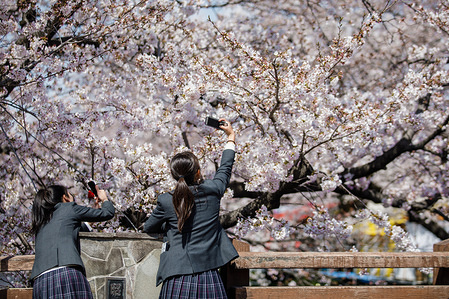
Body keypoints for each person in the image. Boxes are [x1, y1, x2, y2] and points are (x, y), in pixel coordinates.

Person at [144, 118, 238, 299]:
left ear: (173, 175)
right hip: (209, 274)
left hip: (176, 275)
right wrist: (230, 137)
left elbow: (149, 228)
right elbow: (225, 168)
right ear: (197, 172)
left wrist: (170, 228)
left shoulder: (165, 200)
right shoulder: (213, 190)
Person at [30, 184, 115, 299]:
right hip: (65, 275)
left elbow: (69, 231)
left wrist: (91, 219)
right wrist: (104, 199)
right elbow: (108, 213)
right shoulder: (68, 208)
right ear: (65, 197)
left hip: (40, 282)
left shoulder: (42, 220)